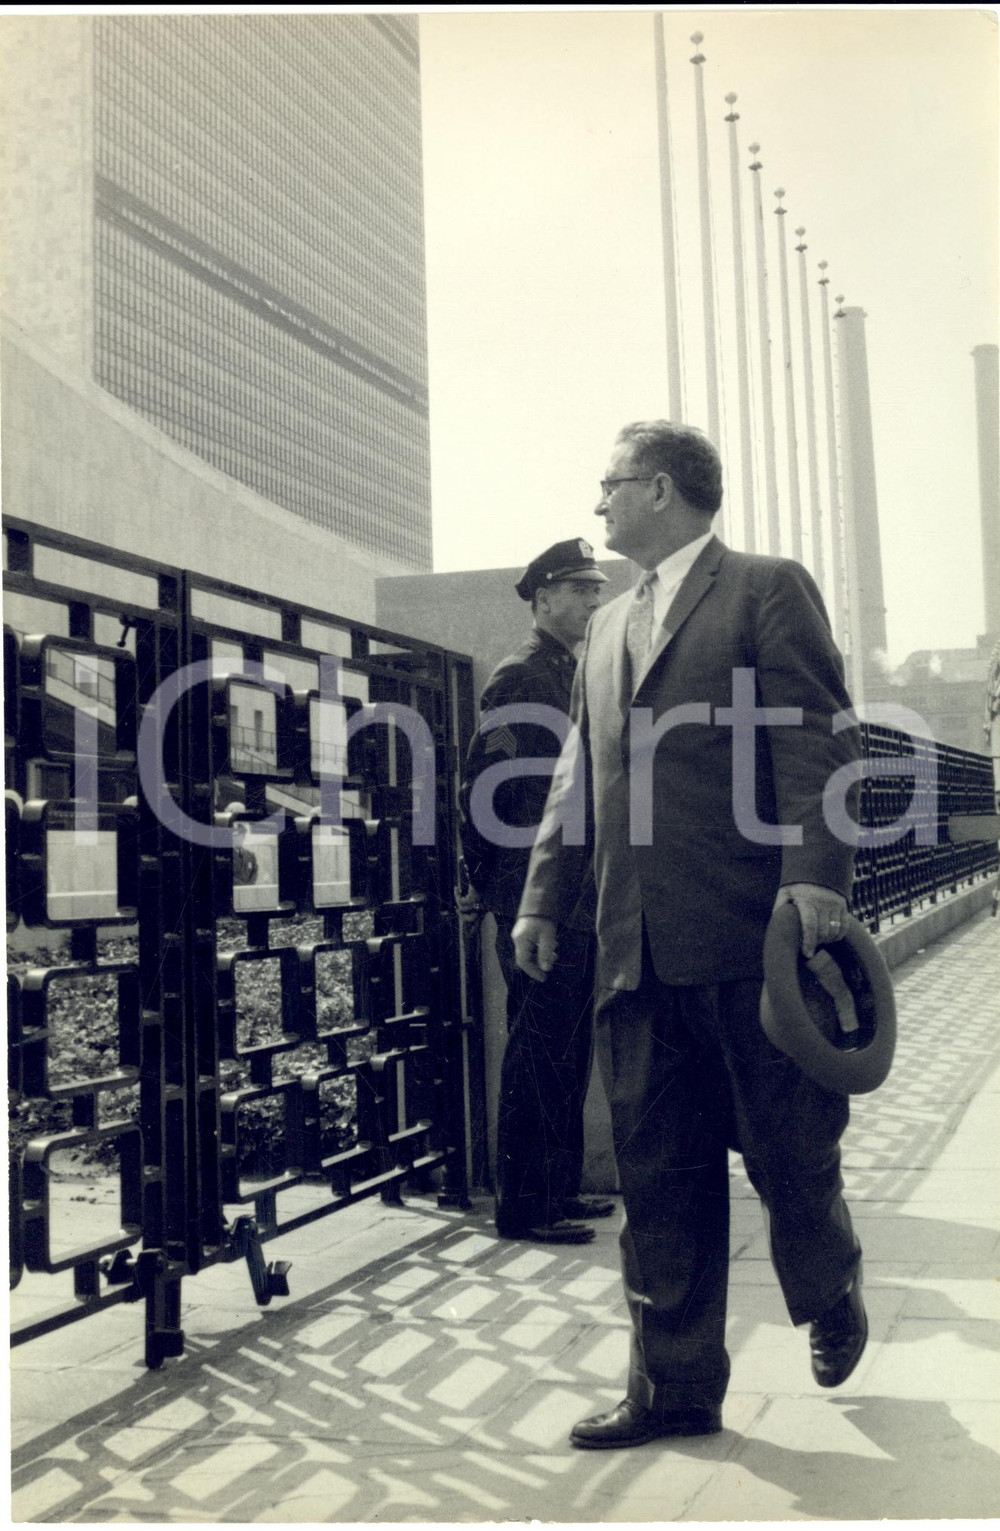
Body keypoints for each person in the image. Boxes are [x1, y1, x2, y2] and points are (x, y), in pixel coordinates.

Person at [513, 421, 867, 1448]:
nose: (598, 506)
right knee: (656, 1172)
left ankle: (829, 1271)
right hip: (634, 949)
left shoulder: (764, 587)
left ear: (659, 489)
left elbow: (818, 741)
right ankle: (670, 1389)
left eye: (609, 485)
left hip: (748, 935)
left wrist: (814, 885)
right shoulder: (606, 626)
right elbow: (579, 777)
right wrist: (543, 896)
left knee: (788, 1153)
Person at [459, 539, 616, 1245]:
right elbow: (510, 801)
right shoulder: (523, 677)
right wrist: (534, 905)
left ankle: (557, 1187)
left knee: (566, 1045)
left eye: (595, 588)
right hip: (538, 900)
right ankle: (524, 1205)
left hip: (571, 897)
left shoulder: (567, 671)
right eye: (579, 589)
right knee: (538, 1047)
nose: (592, 600)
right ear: (543, 598)